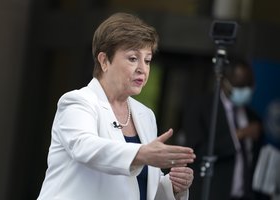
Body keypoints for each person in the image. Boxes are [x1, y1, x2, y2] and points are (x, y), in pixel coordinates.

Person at [37, 12, 195, 200]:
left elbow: (140, 189)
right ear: (104, 61)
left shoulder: (145, 115)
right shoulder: (77, 101)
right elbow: (85, 147)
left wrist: (173, 186)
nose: (142, 69)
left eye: (147, 60)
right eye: (132, 58)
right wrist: (142, 153)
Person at [182, 59, 268, 200]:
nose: (245, 90)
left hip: (246, 195)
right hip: (212, 194)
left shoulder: (253, 117)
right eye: (240, 86)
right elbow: (196, 152)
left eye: (249, 85)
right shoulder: (202, 109)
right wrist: (239, 135)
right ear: (224, 82)